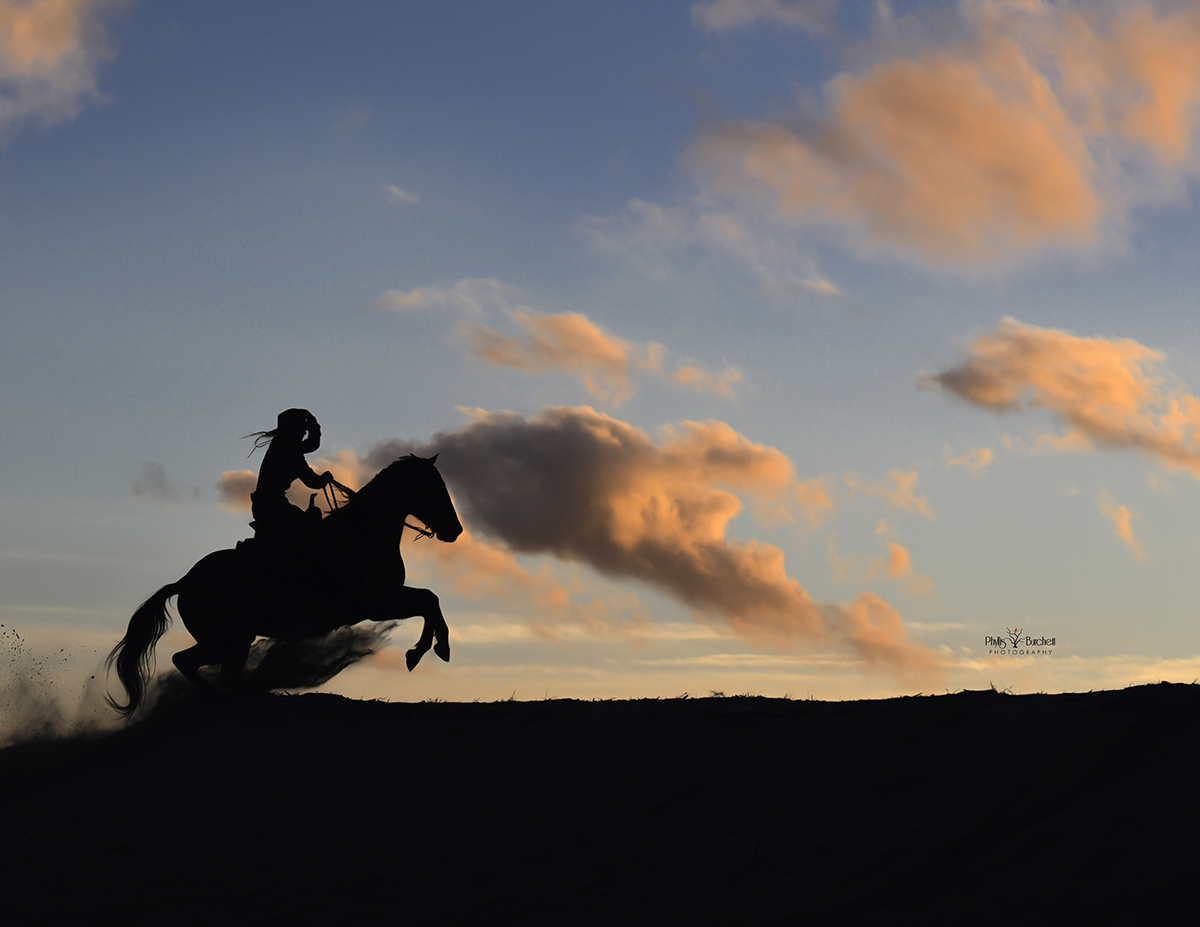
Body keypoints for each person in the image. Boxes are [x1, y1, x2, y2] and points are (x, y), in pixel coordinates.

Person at [245, 408, 334, 540]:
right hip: (273, 507)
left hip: (269, 505)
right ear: (293, 430)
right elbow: (313, 481)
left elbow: (312, 444)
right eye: (301, 429)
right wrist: (325, 479)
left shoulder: (281, 445)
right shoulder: (291, 452)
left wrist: (311, 422)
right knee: (311, 530)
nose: (304, 432)